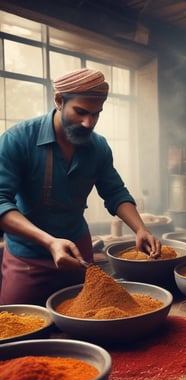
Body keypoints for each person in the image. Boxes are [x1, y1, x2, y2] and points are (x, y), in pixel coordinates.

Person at [0, 68, 161, 305]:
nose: (89, 123)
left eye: (96, 114)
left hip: (78, 253)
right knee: (15, 329)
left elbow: (115, 192)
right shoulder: (17, 139)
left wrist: (140, 229)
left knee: (87, 322)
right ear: (58, 101)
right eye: (81, 112)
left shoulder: (98, 147)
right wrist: (50, 242)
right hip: (28, 258)